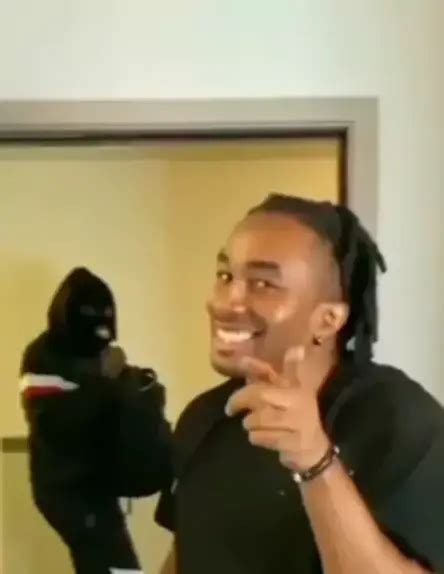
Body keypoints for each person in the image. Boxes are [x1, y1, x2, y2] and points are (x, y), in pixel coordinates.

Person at [155, 194, 444, 574]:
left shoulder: (398, 419)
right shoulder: (203, 417)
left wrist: (314, 461)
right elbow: (188, 551)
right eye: (226, 276)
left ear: (328, 320)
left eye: (263, 283)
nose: (226, 303)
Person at [20, 267, 172, 574]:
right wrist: (112, 384)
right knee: (119, 568)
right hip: (68, 490)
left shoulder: (96, 356)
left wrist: (134, 387)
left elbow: (112, 403)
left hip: (94, 486)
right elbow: (58, 421)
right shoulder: (42, 357)